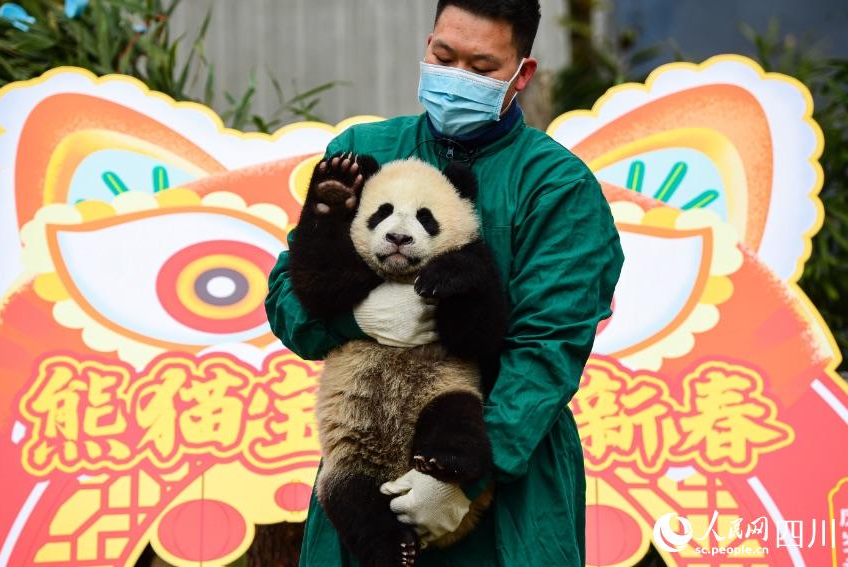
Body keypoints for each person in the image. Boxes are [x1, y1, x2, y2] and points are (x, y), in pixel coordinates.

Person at [265, 0, 625, 565]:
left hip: (506, 483)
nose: (457, 79)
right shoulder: (361, 156)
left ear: (521, 73)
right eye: (443, 55)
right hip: (368, 445)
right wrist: (353, 315)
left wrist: (470, 477)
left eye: (482, 69)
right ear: (427, 43)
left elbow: (548, 347)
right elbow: (289, 301)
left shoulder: (557, 186)